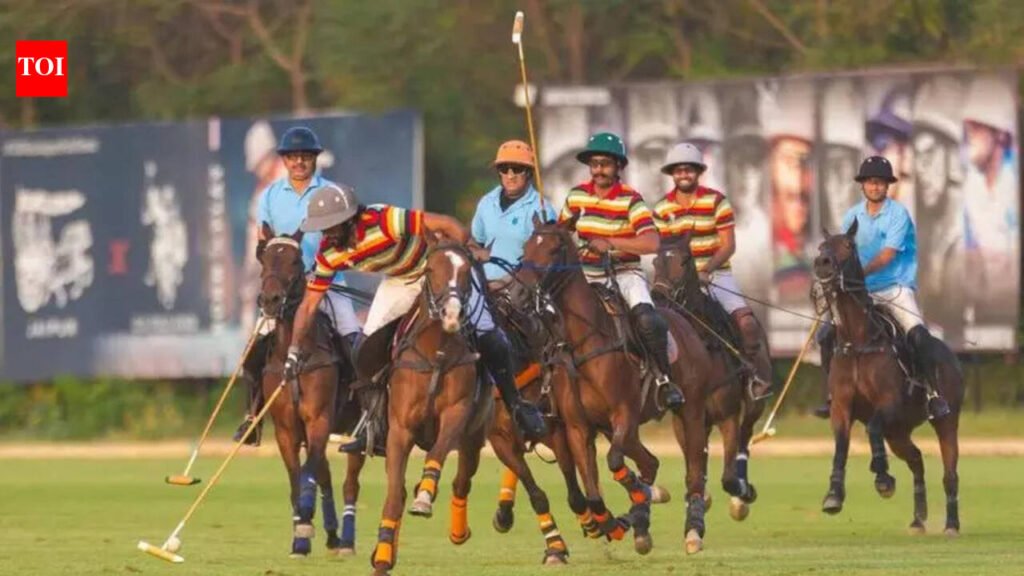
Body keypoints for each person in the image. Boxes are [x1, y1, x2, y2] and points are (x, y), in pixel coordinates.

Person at [284, 184, 549, 453]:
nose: (326, 233)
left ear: (349, 219)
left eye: (330, 226)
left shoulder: (383, 219)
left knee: (487, 331)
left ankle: (517, 406)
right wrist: (293, 350)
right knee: (363, 350)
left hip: (438, 271)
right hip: (400, 280)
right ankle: (375, 426)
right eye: (322, 228)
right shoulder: (328, 253)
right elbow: (308, 306)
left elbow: (446, 224)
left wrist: (462, 252)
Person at [232, 126, 362, 446]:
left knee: (353, 340)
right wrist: (274, 273)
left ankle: (363, 416)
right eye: (293, 157)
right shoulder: (269, 195)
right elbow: (263, 241)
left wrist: (324, 269)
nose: (299, 162)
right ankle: (252, 418)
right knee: (256, 349)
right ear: (285, 160)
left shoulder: (331, 192)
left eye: (305, 156)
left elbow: (348, 238)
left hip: (327, 282)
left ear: (314, 159)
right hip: (285, 291)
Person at [814, 156, 950, 420]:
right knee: (826, 334)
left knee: (918, 335)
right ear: (863, 185)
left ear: (887, 186)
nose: (875, 187)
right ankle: (831, 396)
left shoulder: (898, 214)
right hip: (859, 292)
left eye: (880, 182)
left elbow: (888, 255)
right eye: (870, 182)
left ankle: (932, 395)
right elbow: (842, 252)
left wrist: (858, 274)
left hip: (894, 288)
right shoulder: (852, 216)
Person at [558, 132, 684, 409]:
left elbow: (651, 242)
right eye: (594, 164)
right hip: (585, 275)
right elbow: (562, 232)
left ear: (618, 166)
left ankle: (663, 379)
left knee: (648, 320)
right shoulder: (577, 195)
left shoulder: (631, 199)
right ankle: (548, 385)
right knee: (548, 315)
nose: (598, 170)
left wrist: (611, 243)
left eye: (605, 163)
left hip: (625, 274)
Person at [653, 142, 773, 400]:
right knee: (655, 326)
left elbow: (728, 245)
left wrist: (707, 269)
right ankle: (661, 383)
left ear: (698, 171)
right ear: (672, 174)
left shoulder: (717, 201)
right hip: (678, 282)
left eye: (689, 169)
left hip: (716, 275)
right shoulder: (662, 208)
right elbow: (662, 250)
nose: (684, 175)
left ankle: (754, 376)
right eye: (678, 170)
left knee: (747, 323)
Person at [470, 140, 556, 285]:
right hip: (483, 287)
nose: (510, 176)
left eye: (517, 169)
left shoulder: (542, 209)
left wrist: (508, 281)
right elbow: (475, 242)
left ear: (528, 173)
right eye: (504, 169)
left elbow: (547, 261)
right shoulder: (486, 202)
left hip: (523, 290)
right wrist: (476, 252)